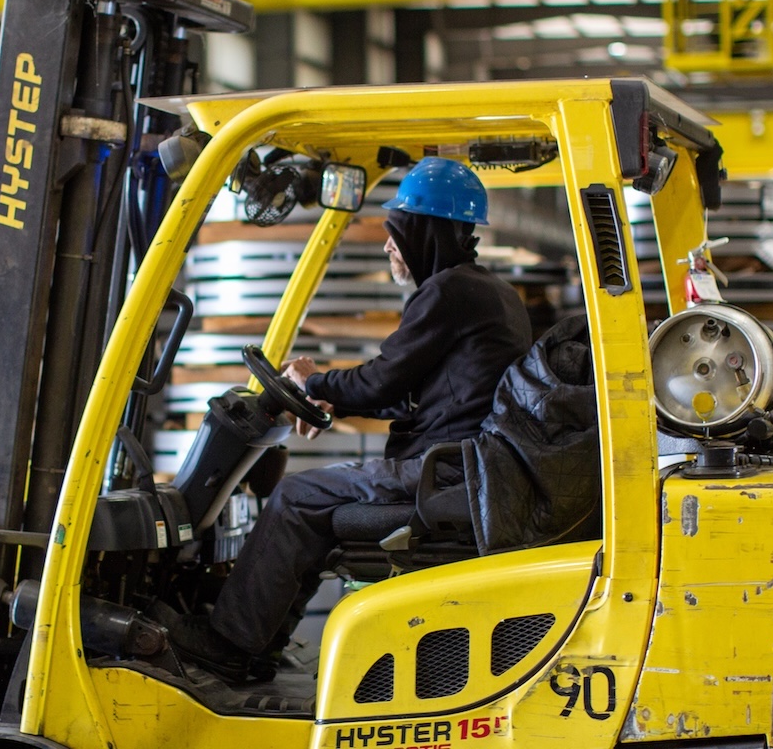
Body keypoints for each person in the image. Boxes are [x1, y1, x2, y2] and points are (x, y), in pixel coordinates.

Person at [166, 157, 533, 682]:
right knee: (313, 507)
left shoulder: (449, 292)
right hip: (465, 467)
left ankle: (229, 643)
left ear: (425, 231)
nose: (387, 245)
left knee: (295, 497)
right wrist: (336, 402)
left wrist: (313, 382)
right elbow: (417, 396)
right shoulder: (489, 292)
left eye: (396, 231)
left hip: (445, 472)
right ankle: (257, 646)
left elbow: (384, 378)